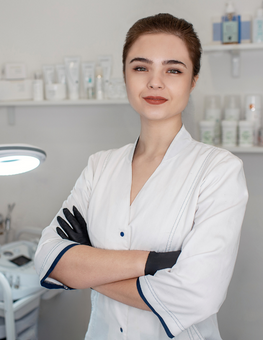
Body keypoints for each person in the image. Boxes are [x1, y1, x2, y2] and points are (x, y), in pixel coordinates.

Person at [34, 13, 248, 339]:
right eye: (140, 67)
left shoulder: (219, 171)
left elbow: (196, 296)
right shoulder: (99, 166)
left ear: (193, 79)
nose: (154, 82)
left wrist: (86, 264)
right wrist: (153, 263)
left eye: (173, 69)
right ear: (125, 75)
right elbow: (46, 258)